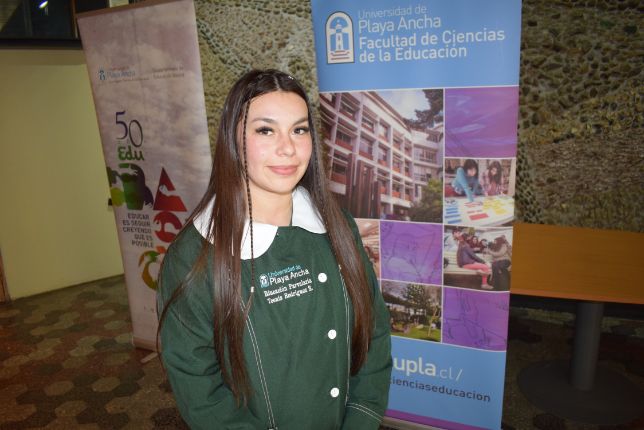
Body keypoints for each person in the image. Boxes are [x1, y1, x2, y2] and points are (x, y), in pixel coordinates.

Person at [156, 69, 392, 430]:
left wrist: (361, 418)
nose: (288, 148)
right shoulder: (195, 255)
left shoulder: (339, 226)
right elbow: (198, 386)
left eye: (299, 130)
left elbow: (372, 329)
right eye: (266, 130)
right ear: (233, 139)